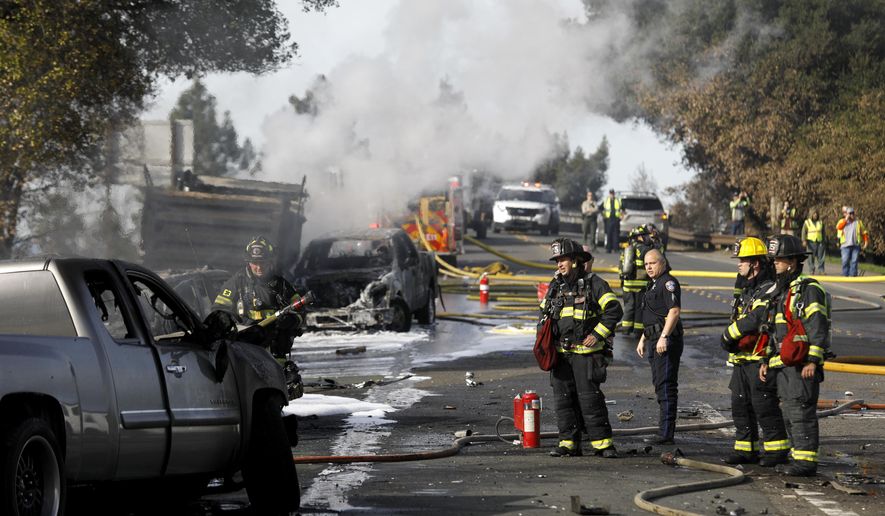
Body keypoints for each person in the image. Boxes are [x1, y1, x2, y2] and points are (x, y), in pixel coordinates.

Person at [540, 238, 623, 458]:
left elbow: (614, 311)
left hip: (586, 355)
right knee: (563, 401)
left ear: (576, 261)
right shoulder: (555, 286)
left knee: (590, 400)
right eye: (557, 260)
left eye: (563, 259)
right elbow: (544, 316)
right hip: (561, 355)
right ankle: (568, 443)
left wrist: (597, 335)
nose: (559, 264)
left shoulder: (595, 284)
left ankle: (603, 445)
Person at [760, 234, 831, 476]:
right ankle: (798, 458)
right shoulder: (783, 291)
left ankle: (806, 462)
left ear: (792, 262)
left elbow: (817, 326)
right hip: (784, 364)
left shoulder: (809, 290)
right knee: (789, 412)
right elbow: (774, 330)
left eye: (778, 260)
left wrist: (813, 359)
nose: (775, 264)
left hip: (802, 365)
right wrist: (765, 360)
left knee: (800, 412)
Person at [719, 238, 789, 467]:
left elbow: (756, 318)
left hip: (759, 358)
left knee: (764, 406)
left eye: (743, 260)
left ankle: (776, 450)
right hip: (741, 359)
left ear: (755, 264)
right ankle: (746, 449)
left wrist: (730, 334)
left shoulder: (769, 287)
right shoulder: (747, 288)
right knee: (740, 405)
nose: (739, 264)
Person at [212, 236, 303, 361]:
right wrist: (241, 323)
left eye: (263, 262)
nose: (259, 267)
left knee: (280, 376)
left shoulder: (281, 285)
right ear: (248, 262)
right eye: (255, 263)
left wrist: (291, 320)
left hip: (275, 349)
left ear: (270, 261)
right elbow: (219, 310)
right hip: (246, 348)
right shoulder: (236, 283)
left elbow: (300, 310)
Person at [636, 249, 683, 445]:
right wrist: (643, 338)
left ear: (662, 263)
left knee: (665, 386)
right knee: (659, 384)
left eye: (652, 263)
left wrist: (664, 337)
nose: (648, 267)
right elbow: (654, 314)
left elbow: (674, 312)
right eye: (646, 264)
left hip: (666, 341)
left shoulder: (668, 283)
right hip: (654, 338)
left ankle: (666, 433)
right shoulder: (653, 284)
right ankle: (663, 430)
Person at [620, 225, 660, 336]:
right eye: (645, 235)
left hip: (627, 284)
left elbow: (621, 266)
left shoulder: (627, 250)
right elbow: (658, 254)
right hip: (641, 285)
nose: (647, 237)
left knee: (628, 307)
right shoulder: (646, 249)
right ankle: (637, 331)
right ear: (639, 237)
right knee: (639, 308)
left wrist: (622, 281)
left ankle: (626, 329)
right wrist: (656, 241)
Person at [836, 207, 869, 277]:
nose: (852, 215)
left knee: (854, 261)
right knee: (845, 261)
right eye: (850, 213)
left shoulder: (858, 222)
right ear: (846, 214)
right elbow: (839, 227)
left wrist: (866, 242)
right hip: (845, 245)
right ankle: (845, 274)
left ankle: (853, 275)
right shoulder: (842, 221)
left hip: (855, 244)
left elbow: (864, 232)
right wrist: (846, 219)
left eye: (853, 213)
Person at [802, 209, 826, 275]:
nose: (815, 215)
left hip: (819, 241)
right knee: (810, 257)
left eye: (816, 213)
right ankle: (811, 270)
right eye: (814, 213)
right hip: (810, 242)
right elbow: (804, 232)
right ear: (811, 214)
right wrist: (804, 240)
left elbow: (823, 232)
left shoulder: (820, 222)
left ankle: (821, 270)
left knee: (821, 257)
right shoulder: (807, 222)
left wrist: (824, 241)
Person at [602, 189, 622, 254]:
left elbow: (623, 209)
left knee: (616, 235)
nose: (612, 195)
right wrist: (603, 216)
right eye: (611, 193)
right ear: (609, 194)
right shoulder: (606, 200)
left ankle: (616, 249)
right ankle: (608, 249)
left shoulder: (618, 200)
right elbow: (601, 209)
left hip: (616, 219)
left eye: (613, 193)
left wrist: (622, 216)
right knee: (609, 234)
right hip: (608, 219)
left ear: (614, 194)